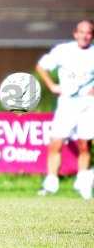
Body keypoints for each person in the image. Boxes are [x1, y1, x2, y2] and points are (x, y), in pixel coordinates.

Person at [36, 20, 94, 199]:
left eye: (89, 33)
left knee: (84, 145)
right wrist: (52, 85)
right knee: (56, 143)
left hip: (87, 104)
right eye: (81, 32)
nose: (84, 36)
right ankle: (51, 184)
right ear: (75, 33)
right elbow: (41, 66)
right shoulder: (63, 51)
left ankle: (83, 185)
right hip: (67, 104)